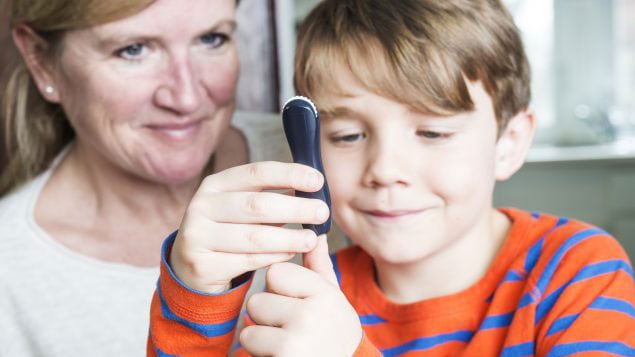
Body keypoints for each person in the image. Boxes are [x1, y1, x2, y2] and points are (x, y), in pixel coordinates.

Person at [148, 0, 635, 356]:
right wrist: (195, 302)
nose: (385, 170)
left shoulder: (578, 271)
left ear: (509, 142)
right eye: (348, 136)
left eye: (432, 131)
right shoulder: (308, 293)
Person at [0, 0, 293, 355]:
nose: (185, 98)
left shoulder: (339, 162)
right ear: (41, 62)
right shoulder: (10, 276)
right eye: (133, 50)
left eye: (211, 39)